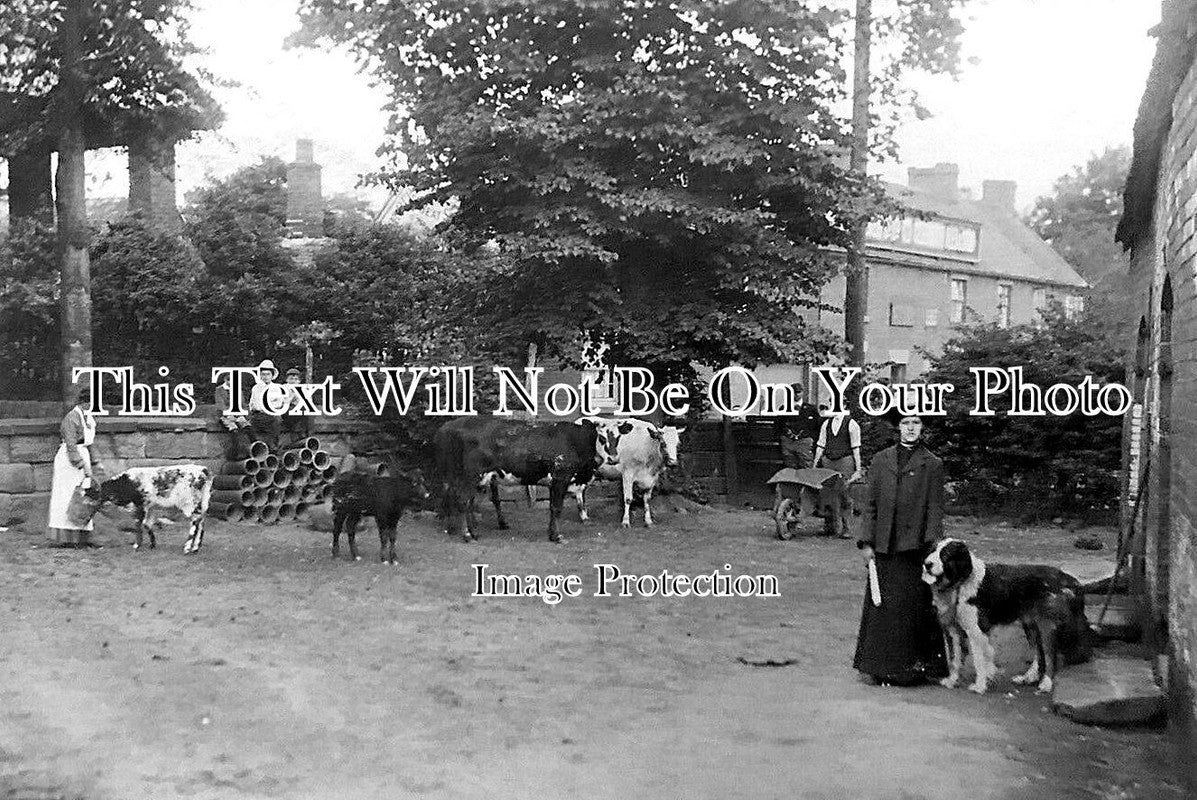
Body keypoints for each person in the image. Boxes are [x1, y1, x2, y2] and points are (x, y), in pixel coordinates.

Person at [852, 414, 949, 686]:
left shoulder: (932, 464)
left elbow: (934, 509)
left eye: (916, 423)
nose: (910, 428)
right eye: (905, 423)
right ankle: (877, 667)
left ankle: (910, 670)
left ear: (923, 428)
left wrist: (932, 548)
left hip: (914, 549)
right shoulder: (881, 460)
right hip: (884, 546)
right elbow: (870, 505)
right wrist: (867, 542)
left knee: (911, 608)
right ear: (898, 427)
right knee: (881, 606)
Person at [46, 383, 102, 548]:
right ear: (83, 402)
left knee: (84, 496)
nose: (90, 406)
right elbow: (71, 445)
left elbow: (89, 443)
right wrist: (82, 465)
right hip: (69, 461)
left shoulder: (88, 418)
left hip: (83, 455)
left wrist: (95, 461)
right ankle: (65, 538)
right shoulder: (71, 418)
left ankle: (82, 537)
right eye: (89, 402)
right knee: (68, 496)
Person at [813, 408, 863, 538]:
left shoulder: (852, 424)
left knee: (844, 493)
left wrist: (858, 469)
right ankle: (829, 526)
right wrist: (815, 464)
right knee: (827, 493)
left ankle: (847, 528)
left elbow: (856, 448)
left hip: (845, 461)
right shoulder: (826, 424)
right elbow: (821, 445)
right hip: (828, 461)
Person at [773, 382, 821, 470]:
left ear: (802, 392)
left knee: (806, 466)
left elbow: (817, 426)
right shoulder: (783, 408)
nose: (796, 395)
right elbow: (778, 425)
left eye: (798, 392)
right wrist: (784, 435)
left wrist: (810, 439)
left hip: (804, 441)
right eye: (793, 392)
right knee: (789, 467)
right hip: (788, 441)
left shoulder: (811, 409)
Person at [215, 372, 252, 459]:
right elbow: (221, 405)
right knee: (233, 429)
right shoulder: (219, 390)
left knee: (247, 427)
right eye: (229, 380)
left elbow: (243, 404)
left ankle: (254, 449)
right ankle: (236, 453)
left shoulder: (238, 390)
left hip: (238, 414)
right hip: (225, 415)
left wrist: (242, 415)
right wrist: (229, 414)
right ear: (225, 380)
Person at [248, 359, 282, 451]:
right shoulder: (256, 388)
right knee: (250, 425)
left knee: (277, 420)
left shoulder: (276, 388)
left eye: (268, 374)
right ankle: (258, 448)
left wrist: (268, 407)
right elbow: (253, 403)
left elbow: (278, 403)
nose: (265, 377)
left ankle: (274, 446)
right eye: (263, 374)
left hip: (271, 414)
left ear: (272, 375)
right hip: (258, 414)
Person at [280, 367, 313, 449]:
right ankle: (298, 433)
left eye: (295, 379)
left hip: (298, 412)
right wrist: (292, 394)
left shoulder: (302, 388)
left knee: (306, 410)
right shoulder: (283, 388)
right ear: (287, 380)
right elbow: (284, 402)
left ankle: (305, 434)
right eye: (291, 379)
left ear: (299, 381)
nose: (293, 381)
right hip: (286, 411)